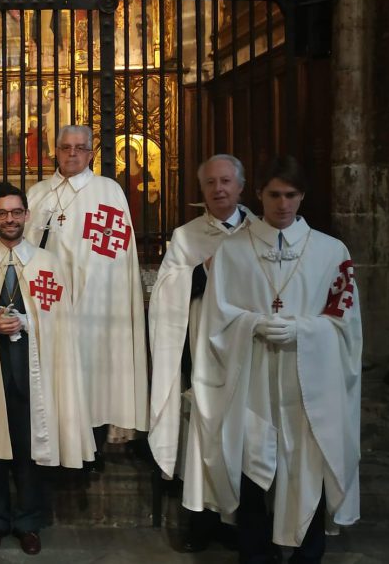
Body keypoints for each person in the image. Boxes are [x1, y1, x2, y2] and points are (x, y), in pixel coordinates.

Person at [185, 156, 362, 564]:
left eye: (292, 195)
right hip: (252, 378)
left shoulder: (331, 252)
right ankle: (255, 553)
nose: (283, 204)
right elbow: (215, 317)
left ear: (302, 197)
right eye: (275, 194)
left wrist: (304, 329)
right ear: (259, 195)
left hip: (307, 383)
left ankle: (307, 553)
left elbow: (345, 322)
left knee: (307, 465)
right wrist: (250, 324)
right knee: (252, 468)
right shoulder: (232, 250)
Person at [0, 187, 95, 555]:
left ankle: (28, 522)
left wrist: (30, 323)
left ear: (26, 215)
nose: (10, 219)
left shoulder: (46, 263)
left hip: (31, 372)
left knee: (28, 449)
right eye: (2, 213)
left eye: (16, 212)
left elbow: (61, 323)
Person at [148, 154, 250, 552]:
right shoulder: (187, 236)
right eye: (211, 182)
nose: (219, 189)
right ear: (201, 189)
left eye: (226, 181)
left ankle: (246, 525)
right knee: (203, 437)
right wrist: (201, 270)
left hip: (247, 354)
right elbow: (165, 291)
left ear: (241, 187)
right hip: (203, 353)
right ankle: (203, 523)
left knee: (245, 440)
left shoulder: (260, 231)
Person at [25, 125, 148, 442]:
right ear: (56, 151)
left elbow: (116, 256)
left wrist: (90, 290)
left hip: (95, 300)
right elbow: (25, 249)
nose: (72, 153)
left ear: (91, 153)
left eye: (80, 148)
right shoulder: (38, 194)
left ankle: (91, 440)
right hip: (47, 300)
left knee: (92, 368)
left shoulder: (107, 191)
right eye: (66, 147)